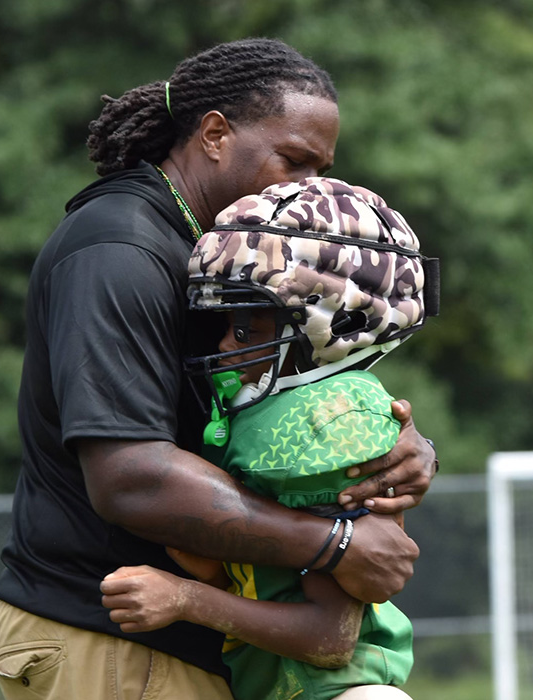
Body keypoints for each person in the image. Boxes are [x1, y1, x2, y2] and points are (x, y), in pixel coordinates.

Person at [0, 38, 438, 700]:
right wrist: (334, 543)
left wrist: (394, 444)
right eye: (293, 161)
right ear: (216, 135)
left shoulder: (224, 255)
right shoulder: (120, 248)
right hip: (107, 638)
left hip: (189, 643)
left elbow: (279, 394)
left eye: (320, 169)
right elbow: (131, 478)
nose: (307, 187)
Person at [100, 177, 440, 700]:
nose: (221, 344)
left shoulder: (327, 424)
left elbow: (330, 638)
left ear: (334, 327)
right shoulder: (264, 415)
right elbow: (230, 565)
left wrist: (184, 598)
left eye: (244, 329)